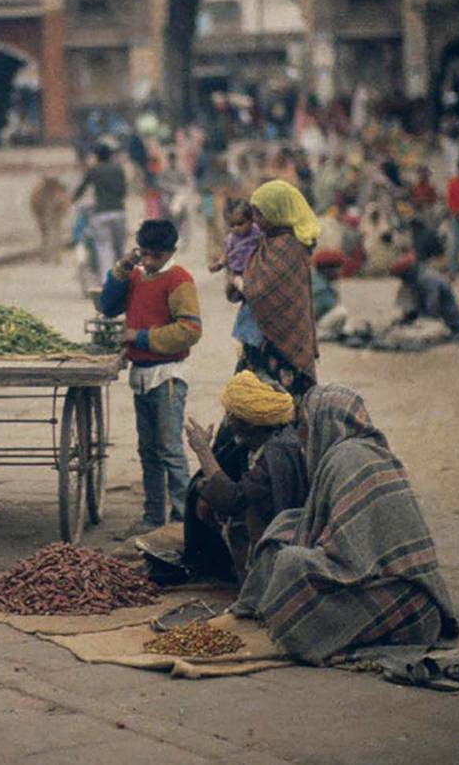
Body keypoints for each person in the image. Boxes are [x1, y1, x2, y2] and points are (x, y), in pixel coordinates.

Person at [233, 384, 459, 664]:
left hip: (404, 593)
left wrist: (309, 552)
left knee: (292, 562)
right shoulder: (350, 452)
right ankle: (261, 610)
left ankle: (305, 634)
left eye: (305, 424)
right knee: (285, 526)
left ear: (326, 423)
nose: (302, 433)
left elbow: (349, 556)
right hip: (379, 571)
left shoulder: (348, 458)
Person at [99, 219, 202, 535]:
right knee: (148, 450)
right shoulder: (135, 274)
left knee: (170, 449)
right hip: (141, 375)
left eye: (155, 256)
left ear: (170, 252)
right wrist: (122, 268)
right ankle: (154, 517)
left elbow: (190, 330)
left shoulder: (180, 280)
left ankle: (185, 521)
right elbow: (107, 306)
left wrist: (140, 337)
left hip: (167, 376)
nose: (148, 261)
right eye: (143, 254)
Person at [183, 370, 307, 583]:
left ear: (250, 422)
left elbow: (232, 500)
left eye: (232, 415)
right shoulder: (254, 442)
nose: (228, 421)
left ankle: (252, 574)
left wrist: (203, 450)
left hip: (280, 537)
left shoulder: (277, 453)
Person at [235, 180, 320, 400]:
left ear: (278, 212)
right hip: (260, 342)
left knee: (282, 403)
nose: (256, 220)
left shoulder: (288, 246)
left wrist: (239, 284)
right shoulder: (267, 241)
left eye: (261, 214)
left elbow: (259, 291)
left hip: (282, 347)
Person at [209, 198, 264, 354]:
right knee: (245, 295)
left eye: (240, 224)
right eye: (232, 225)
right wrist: (219, 265)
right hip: (238, 274)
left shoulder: (257, 233)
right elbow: (226, 255)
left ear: (250, 220)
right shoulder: (231, 239)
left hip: (254, 272)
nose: (236, 228)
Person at [71, 142, 127, 283]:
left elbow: (81, 189)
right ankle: (123, 280)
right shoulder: (119, 170)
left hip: (101, 214)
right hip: (119, 213)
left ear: (96, 156)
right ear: (110, 155)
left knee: (104, 249)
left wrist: (72, 199)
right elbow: (123, 191)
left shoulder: (93, 170)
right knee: (119, 249)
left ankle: (106, 282)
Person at [389, 251, 459, 339]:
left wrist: (416, 322)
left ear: (408, 272)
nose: (402, 280)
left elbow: (432, 308)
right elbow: (411, 308)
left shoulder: (428, 280)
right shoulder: (415, 281)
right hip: (433, 319)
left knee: (410, 335)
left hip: (450, 324)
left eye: (402, 276)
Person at [310, 249, 350, 341]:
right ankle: (319, 335)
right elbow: (320, 311)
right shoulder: (321, 288)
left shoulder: (317, 280)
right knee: (340, 312)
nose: (339, 271)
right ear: (326, 270)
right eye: (337, 268)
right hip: (308, 326)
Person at [29, 175, 70, 264]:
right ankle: (50, 256)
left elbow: (64, 204)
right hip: (45, 210)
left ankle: (53, 256)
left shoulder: (57, 193)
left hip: (54, 210)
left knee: (52, 232)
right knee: (47, 232)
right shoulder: (38, 193)